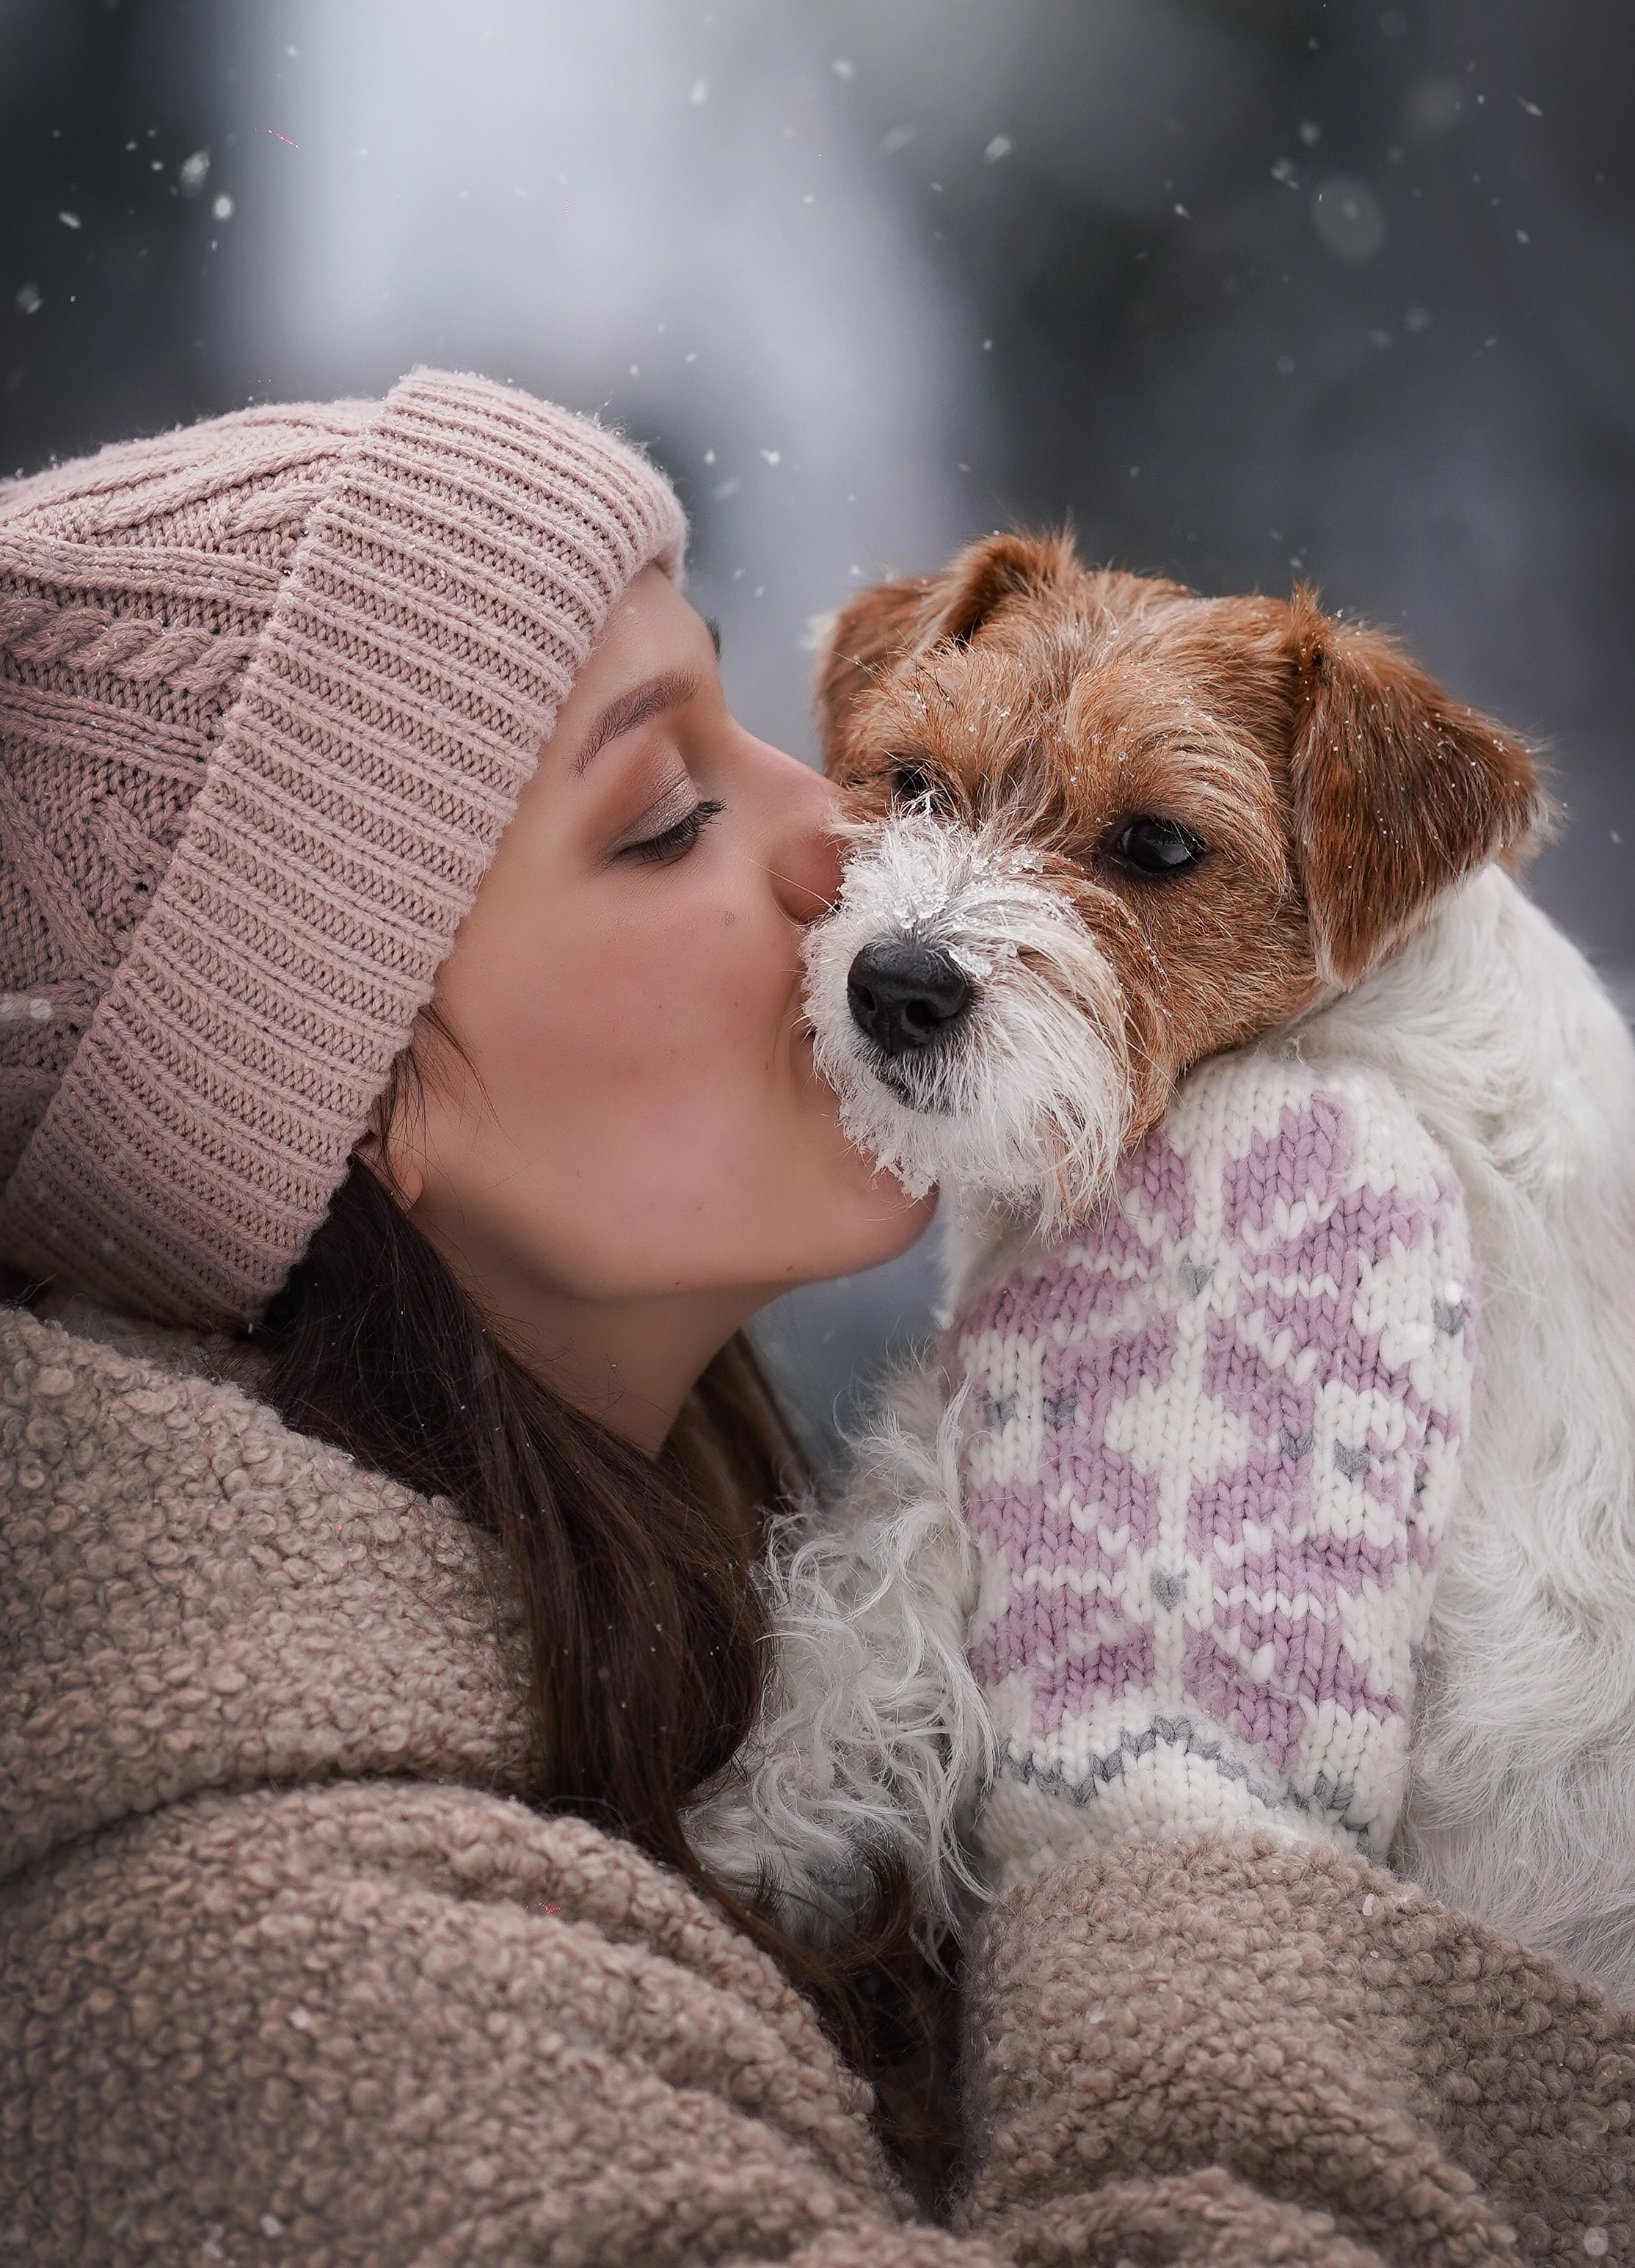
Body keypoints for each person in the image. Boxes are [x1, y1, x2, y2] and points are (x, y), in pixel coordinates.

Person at [0, 369, 1625, 2264]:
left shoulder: (663, 1677)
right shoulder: (285, 1972)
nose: (842, 839)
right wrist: (1185, 1830)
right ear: (352, 1094)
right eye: (666, 812)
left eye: (770, 726)